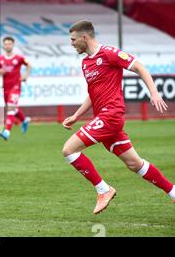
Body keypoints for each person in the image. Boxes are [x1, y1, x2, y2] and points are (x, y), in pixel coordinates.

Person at [62, 20, 174, 215]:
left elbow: (139, 66)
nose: (71, 43)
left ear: (84, 37)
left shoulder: (109, 53)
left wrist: (154, 92)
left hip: (111, 116)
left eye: (73, 39)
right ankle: (173, 192)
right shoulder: (86, 63)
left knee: (69, 150)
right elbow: (93, 93)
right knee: (134, 164)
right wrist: (76, 115)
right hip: (104, 119)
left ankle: (103, 189)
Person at [0, 36, 32, 140]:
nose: (7, 46)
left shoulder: (19, 58)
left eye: (9, 44)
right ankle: (24, 120)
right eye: (5, 44)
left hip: (16, 87)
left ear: (13, 45)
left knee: (10, 107)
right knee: (12, 108)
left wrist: (25, 76)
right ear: (3, 45)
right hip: (6, 88)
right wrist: (0, 71)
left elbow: (29, 65)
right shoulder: (0, 59)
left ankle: (7, 131)